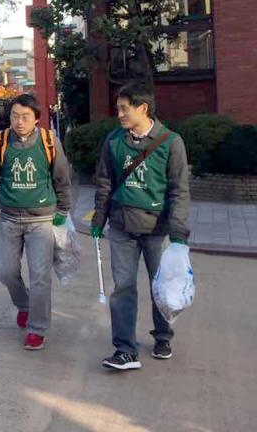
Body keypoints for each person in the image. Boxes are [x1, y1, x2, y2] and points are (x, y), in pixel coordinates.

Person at [92, 83, 190, 371]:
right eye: (118, 108)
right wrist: (99, 219)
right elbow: (105, 182)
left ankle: (163, 336)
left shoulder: (171, 142)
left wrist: (179, 233)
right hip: (122, 226)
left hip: (156, 229)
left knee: (161, 287)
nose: (119, 113)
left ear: (142, 108)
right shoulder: (113, 141)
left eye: (124, 108)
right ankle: (124, 349)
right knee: (123, 287)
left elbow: (178, 191)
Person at [0, 93, 72, 351]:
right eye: (14, 116)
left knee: (40, 277)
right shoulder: (0, 142)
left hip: (41, 219)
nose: (19, 122)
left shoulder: (49, 142)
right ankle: (24, 305)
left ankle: (37, 328)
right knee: (6, 272)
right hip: (9, 218)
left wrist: (64, 209)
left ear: (37, 119)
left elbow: (62, 178)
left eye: (25, 117)